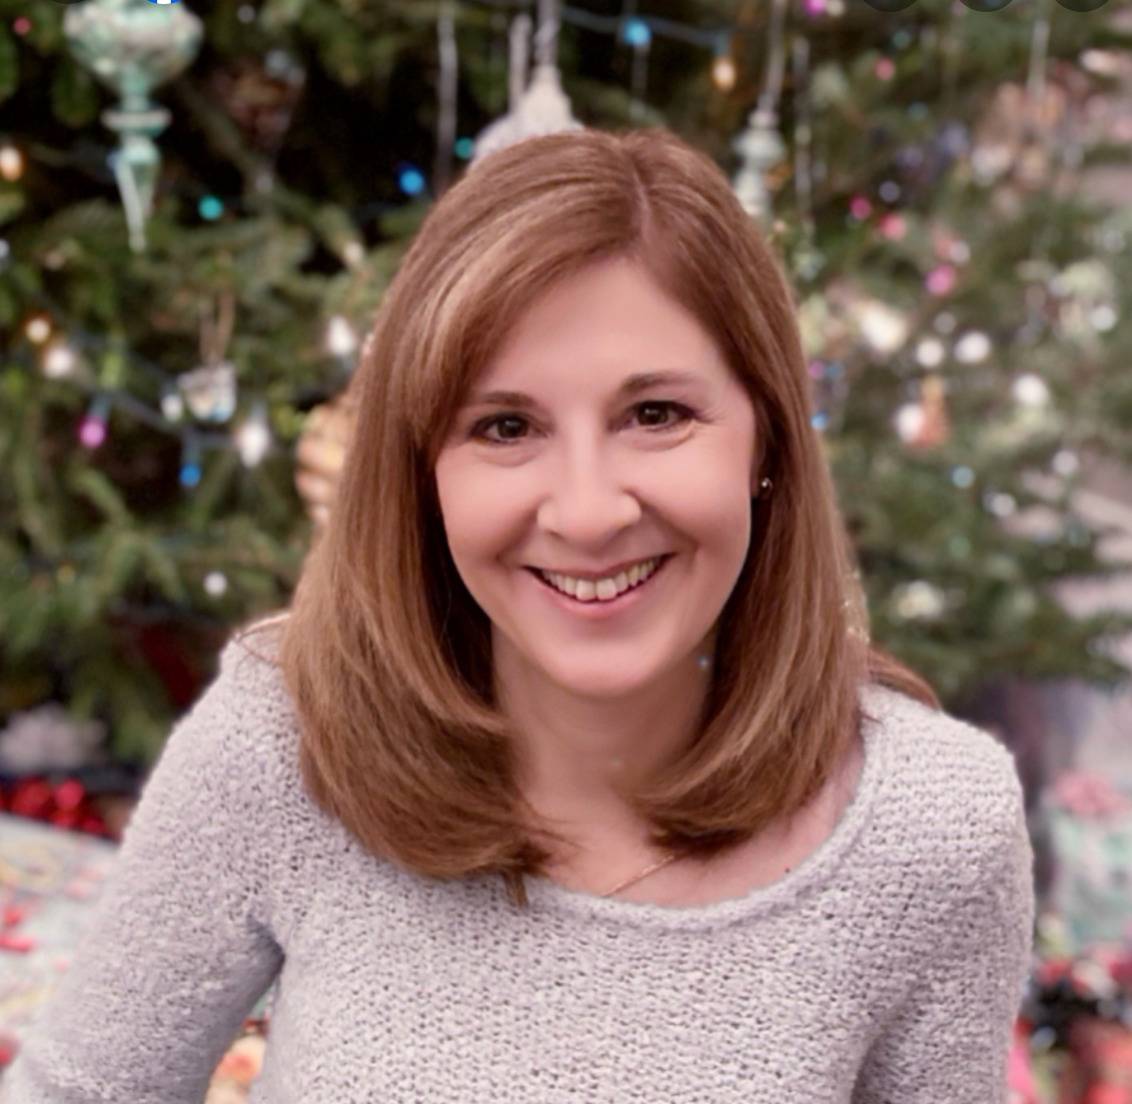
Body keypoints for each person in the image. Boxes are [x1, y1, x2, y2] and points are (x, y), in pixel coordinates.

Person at [1, 126, 1035, 1103]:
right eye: (504, 425)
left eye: (656, 415)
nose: (586, 512)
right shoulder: (283, 739)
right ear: (424, 473)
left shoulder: (928, 826)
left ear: (764, 443)